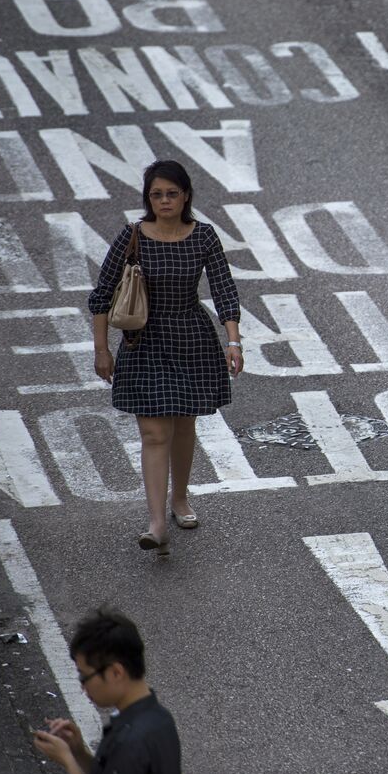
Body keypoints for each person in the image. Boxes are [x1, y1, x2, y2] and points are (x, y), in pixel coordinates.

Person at [88, 160, 242, 553]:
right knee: (155, 433)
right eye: (156, 194)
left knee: (183, 425)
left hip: (192, 338)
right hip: (144, 342)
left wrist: (234, 341)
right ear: (148, 198)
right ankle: (157, 524)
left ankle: (180, 498)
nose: (164, 200)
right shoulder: (132, 236)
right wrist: (102, 349)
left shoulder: (203, 236)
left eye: (172, 193)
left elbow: (224, 290)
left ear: (186, 195)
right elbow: (102, 294)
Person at [32, 607, 181, 774]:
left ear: (116, 672)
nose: (83, 687)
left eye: (85, 676)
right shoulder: (160, 718)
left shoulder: (130, 742)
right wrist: (78, 751)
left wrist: (67, 760)